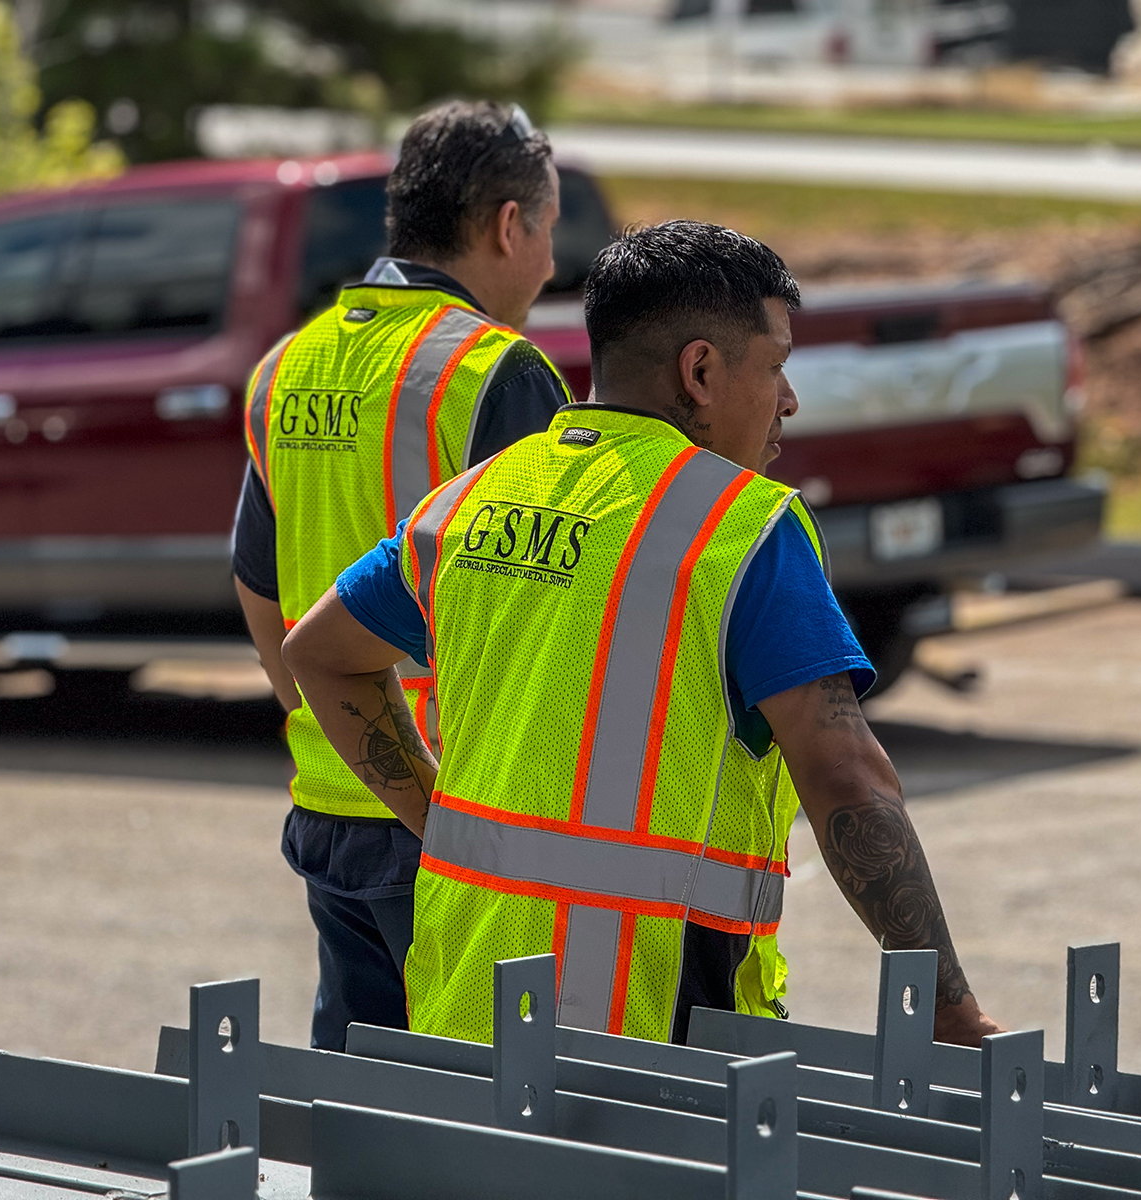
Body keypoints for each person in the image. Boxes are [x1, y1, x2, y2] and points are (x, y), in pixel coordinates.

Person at [282, 221, 1002, 1047]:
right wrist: (948, 1006)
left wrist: (430, 812)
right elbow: (847, 780)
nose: (789, 398)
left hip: (462, 1006)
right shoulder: (742, 529)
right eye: (775, 365)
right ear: (699, 370)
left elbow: (320, 654)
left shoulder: (472, 500)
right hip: (652, 1037)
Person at [232, 100, 570, 1050]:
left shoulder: (287, 365)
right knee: (469, 1112)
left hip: (332, 800)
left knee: (359, 1106)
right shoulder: (495, 372)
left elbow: (258, 582)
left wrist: (317, 716)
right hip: (448, 811)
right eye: (546, 233)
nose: (549, 266)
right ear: (509, 224)